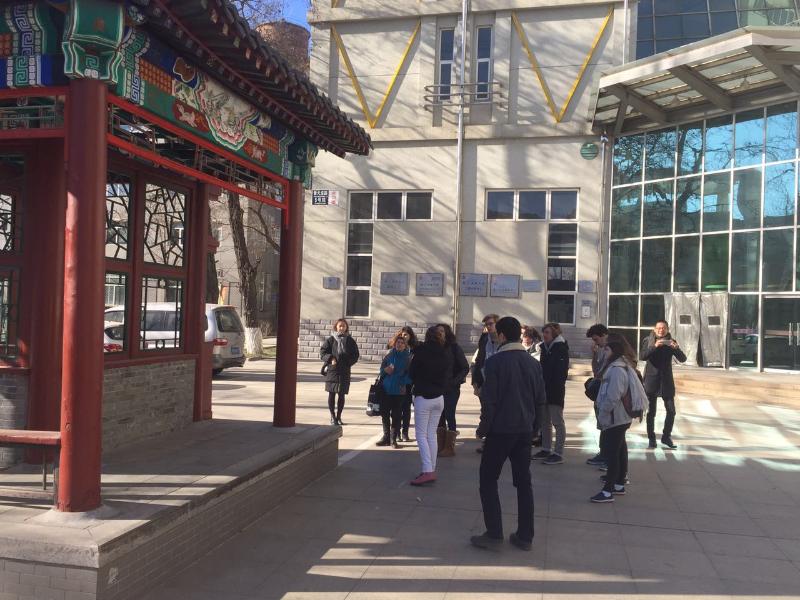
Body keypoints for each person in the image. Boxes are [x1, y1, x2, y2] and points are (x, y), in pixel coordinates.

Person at [471, 316, 545, 551]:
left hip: (500, 430)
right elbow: (540, 400)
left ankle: (494, 534)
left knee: (488, 479)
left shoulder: (495, 362)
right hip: (524, 431)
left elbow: (489, 400)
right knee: (523, 483)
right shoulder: (533, 363)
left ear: (502, 335)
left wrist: (483, 428)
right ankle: (525, 536)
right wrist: (535, 429)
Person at [591, 333, 645, 503]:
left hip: (616, 417)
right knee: (620, 450)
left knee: (612, 453)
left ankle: (608, 491)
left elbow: (613, 396)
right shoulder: (619, 366)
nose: (604, 351)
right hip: (620, 417)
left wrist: (603, 413)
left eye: (607, 349)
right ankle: (619, 484)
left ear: (613, 351)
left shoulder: (617, 370)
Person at [408, 326, 453, 486]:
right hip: (439, 398)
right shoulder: (445, 353)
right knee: (431, 434)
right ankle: (431, 468)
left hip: (423, 397)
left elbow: (411, 373)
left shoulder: (421, 352)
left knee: (421, 435)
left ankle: (428, 470)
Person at [640, 320, 687, 449]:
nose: (661, 330)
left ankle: (666, 436)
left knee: (671, 411)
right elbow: (642, 356)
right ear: (655, 329)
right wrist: (654, 346)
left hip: (666, 381)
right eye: (659, 328)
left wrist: (676, 348)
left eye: (664, 328)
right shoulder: (648, 341)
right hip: (651, 380)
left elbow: (683, 359)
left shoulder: (671, 342)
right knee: (651, 412)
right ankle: (651, 438)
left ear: (667, 329)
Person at [534, 323, 569, 465]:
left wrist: (552, 386)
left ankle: (558, 453)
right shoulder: (545, 348)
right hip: (544, 390)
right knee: (544, 422)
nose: (544, 335)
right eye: (543, 332)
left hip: (555, 391)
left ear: (554, 334)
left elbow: (560, 373)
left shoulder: (560, 348)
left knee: (557, 422)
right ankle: (546, 449)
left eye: (547, 332)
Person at [436, 323, 470, 458]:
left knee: (449, 414)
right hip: (437, 388)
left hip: (451, 389)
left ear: (447, 333)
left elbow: (465, 367)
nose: (439, 333)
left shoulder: (454, 347)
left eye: (442, 331)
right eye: (437, 331)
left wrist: (454, 382)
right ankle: (441, 445)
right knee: (439, 415)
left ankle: (449, 447)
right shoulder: (434, 348)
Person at [320, 318, 360, 425]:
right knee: (332, 394)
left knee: (341, 395)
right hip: (332, 371)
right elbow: (323, 352)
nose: (342, 328)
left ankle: (339, 417)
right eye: (340, 326)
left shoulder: (350, 341)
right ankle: (332, 417)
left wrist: (348, 362)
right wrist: (331, 358)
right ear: (336, 327)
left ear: (346, 328)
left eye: (344, 326)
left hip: (344, 372)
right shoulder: (330, 340)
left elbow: (356, 355)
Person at [470, 314, 500, 454]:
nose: (488, 327)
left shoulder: (503, 339)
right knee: (486, 412)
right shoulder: (484, 338)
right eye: (486, 324)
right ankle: (487, 442)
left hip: (499, 382)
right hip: (484, 381)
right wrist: (476, 382)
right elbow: (479, 360)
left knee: (497, 414)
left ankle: (494, 441)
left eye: (491, 324)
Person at [376, 334, 412, 449]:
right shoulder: (389, 355)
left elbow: (411, 375)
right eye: (398, 342)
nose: (399, 344)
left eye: (402, 343)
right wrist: (385, 370)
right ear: (394, 344)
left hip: (399, 390)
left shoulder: (408, 358)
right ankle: (386, 437)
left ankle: (393, 439)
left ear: (405, 345)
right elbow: (381, 371)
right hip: (386, 389)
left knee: (396, 416)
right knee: (385, 414)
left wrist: (403, 381)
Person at [585, 324, 609, 468]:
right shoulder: (600, 350)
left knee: (607, 425)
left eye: (596, 339)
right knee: (601, 424)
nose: (595, 343)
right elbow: (596, 371)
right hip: (600, 391)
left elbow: (603, 373)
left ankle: (607, 456)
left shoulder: (611, 350)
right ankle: (603, 452)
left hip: (607, 392)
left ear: (604, 335)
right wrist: (594, 355)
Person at [396, 326, 419, 441]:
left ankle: (405, 432)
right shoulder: (397, 347)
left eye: (406, 335)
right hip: (397, 382)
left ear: (410, 336)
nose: (404, 337)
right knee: (397, 409)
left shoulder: (414, 349)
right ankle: (396, 432)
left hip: (409, 383)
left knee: (406, 408)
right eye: (402, 334)